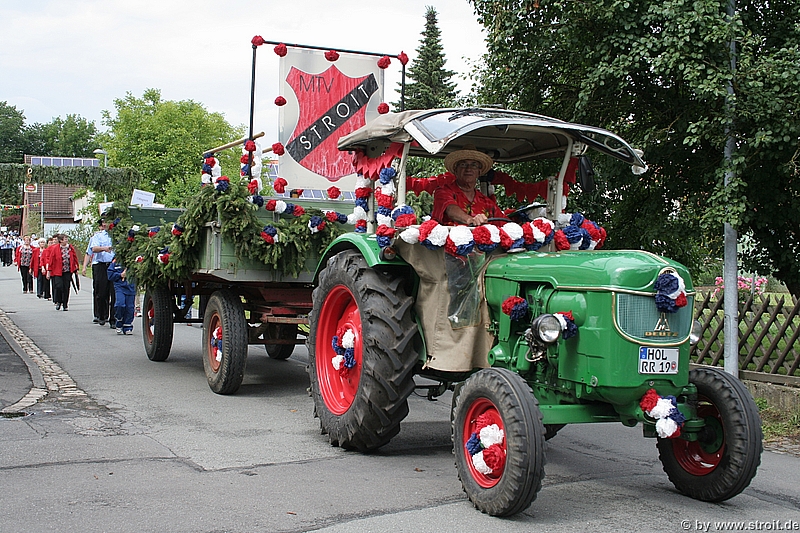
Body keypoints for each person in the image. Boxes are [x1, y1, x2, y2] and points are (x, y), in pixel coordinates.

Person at [431, 146, 503, 226]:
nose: (468, 169)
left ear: (479, 172)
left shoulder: (487, 202)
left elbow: (504, 222)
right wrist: (470, 220)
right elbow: (450, 208)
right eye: (463, 164)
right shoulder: (443, 191)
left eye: (474, 165)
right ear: (455, 170)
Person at [86, 218, 115, 327]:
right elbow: (93, 249)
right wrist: (104, 248)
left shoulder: (117, 236)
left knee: (115, 293)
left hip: (113, 264)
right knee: (101, 292)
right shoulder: (98, 236)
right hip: (101, 265)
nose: (106, 224)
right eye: (105, 222)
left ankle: (114, 319)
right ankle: (101, 316)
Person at [45, 234, 79, 311]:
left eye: (67, 239)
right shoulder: (55, 248)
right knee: (59, 286)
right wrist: (49, 271)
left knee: (66, 287)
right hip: (57, 271)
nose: (67, 240)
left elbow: (74, 258)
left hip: (67, 271)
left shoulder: (70, 248)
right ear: (61, 241)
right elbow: (51, 260)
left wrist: (76, 268)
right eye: (65, 239)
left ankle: (65, 304)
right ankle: (59, 301)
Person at [107, 258, 135, 335]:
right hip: (120, 287)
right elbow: (110, 275)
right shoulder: (116, 262)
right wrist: (120, 275)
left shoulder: (134, 260)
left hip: (130, 287)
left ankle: (127, 326)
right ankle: (119, 322)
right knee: (120, 304)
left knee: (129, 308)